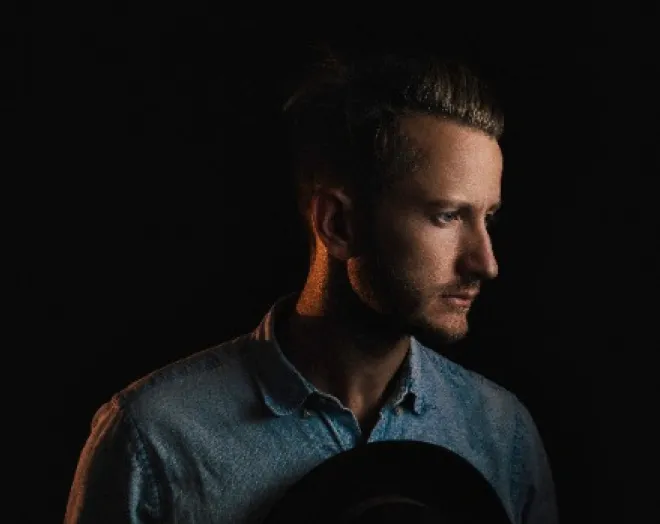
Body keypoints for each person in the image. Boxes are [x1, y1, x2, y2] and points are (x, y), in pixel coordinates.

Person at [64, 47, 559, 524]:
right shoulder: (153, 440)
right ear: (337, 225)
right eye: (447, 216)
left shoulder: (502, 434)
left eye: (488, 218)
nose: (486, 263)